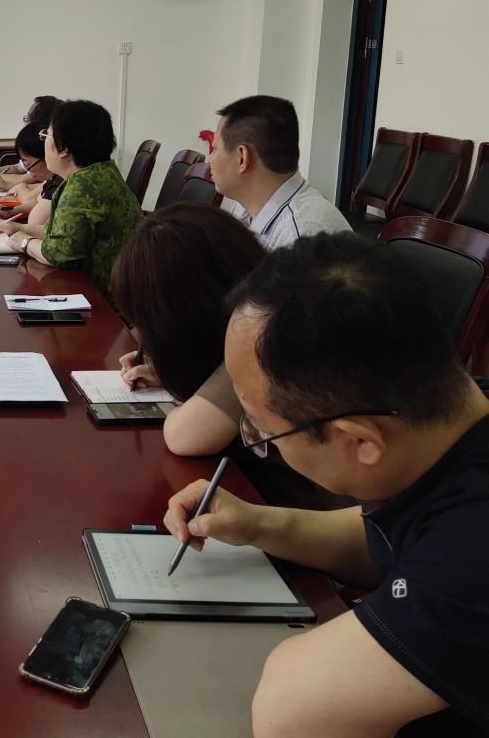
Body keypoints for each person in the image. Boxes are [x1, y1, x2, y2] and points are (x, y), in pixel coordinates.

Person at [163, 233, 489, 737]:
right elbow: (388, 541)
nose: (259, 440)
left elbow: (290, 711)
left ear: (360, 441)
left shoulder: (471, 551)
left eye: (262, 430)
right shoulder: (453, 424)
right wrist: (259, 524)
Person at [111, 204, 348, 508]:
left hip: (307, 518)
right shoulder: (268, 307)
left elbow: (184, 435)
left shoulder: (263, 339)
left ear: (184, 319)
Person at [4, 100, 141, 298]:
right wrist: (17, 228)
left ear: (63, 149)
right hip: (111, 290)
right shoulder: (100, 173)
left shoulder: (84, 186)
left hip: (105, 301)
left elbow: (59, 254)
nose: (44, 142)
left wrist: (23, 242)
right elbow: (61, 233)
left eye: (46, 135)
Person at [208, 95, 350, 250]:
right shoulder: (245, 206)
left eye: (215, 148)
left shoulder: (301, 236)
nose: (210, 158)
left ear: (242, 158)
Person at [0, 95, 63, 190]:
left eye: (28, 118)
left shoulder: (45, 158)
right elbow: (18, 168)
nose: (26, 123)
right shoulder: (34, 151)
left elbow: (22, 180)